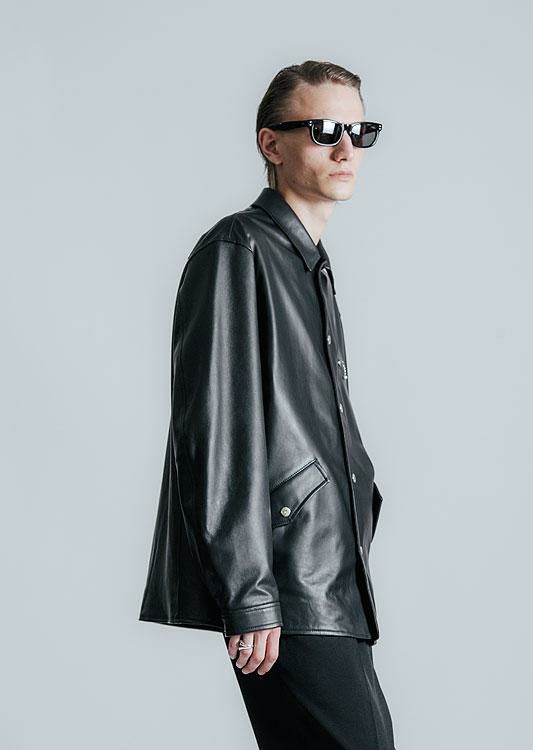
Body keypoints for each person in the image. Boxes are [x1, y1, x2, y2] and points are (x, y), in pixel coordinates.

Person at [139, 59, 396, 749]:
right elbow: (215, 432)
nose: (346, 148)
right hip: (287, 581)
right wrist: (250, 594)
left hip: (330, 579)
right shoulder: (239, 250)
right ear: (271, 143)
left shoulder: (308, 265)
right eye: (324, 130)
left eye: (359, 131)